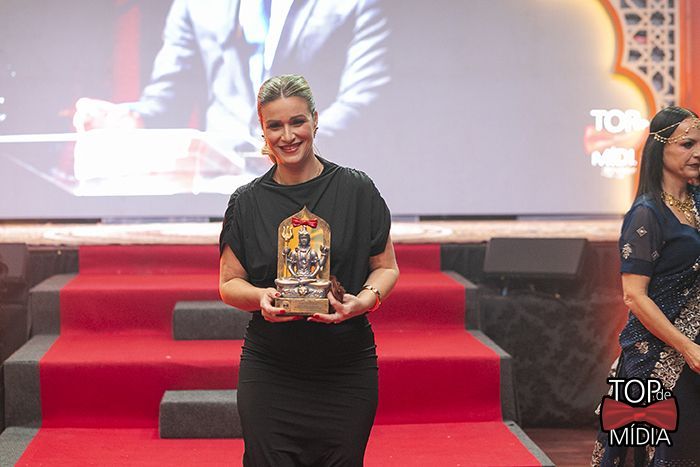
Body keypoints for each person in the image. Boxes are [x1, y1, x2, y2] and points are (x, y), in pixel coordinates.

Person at [218, 74, 399, 466]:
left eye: (297, 122)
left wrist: (363, 302)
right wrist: (261, 297)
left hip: (346, 369)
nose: (288, 136)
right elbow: (229, 283)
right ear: (263, 129)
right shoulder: (247, 201)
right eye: (275, 125)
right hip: (271, 370)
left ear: (315, 120)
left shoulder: (356, 189)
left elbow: (386, 268)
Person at [73, 0, 390, 151]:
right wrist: (132, 118)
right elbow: (169, 99)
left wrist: (277, 145)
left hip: (317, 186)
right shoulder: (196, 6)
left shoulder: (358, 5)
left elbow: (363, 104)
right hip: (224, 196)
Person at [591, 106, 700, 466]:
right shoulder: (646, 213)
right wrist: (687, 347)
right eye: (687, 144)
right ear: (659, 148)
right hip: (657, 356)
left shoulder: (697, 203)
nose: (698, 153)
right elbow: (634, 296)